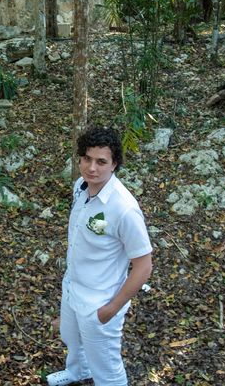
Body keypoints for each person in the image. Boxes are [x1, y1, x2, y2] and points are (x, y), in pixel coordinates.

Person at [47, 125, 153, 386]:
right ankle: (77, 372)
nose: (92, 168)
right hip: (72, 288)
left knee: (107, 368)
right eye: (86, 158)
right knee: (71, 339)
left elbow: (143, 266)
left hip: (100, 302)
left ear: (114, 164)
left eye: (101, 161)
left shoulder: (124, 209)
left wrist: (111, 309)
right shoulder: (80, 187)